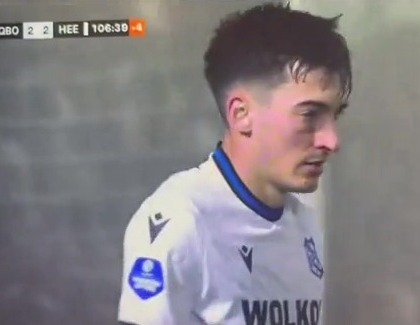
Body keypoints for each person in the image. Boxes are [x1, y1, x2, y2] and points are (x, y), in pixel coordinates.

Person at [117, 2, 352, 324]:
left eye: (333, 116)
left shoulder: (304, 224)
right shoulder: (183, 222)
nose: (331, 140)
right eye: (310, 114)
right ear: (241, 114)